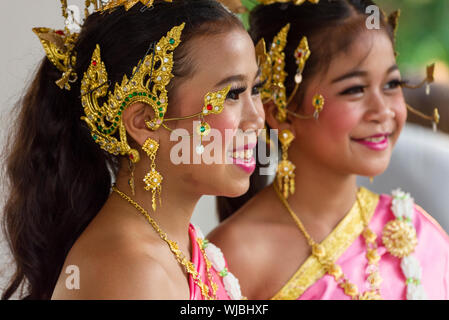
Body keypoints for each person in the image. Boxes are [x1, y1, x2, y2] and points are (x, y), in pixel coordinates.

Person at [1, 0, 264, 300]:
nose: (257, 118)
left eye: (255, 89)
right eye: (232, 94)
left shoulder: (180, 244)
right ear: (144, 120)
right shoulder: (132, 272)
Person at [209, 0, 449, 300]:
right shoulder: (233, 259)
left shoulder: (416, 230)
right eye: (354, 90)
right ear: (281, 113)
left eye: (391, 84)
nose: (383, 110)